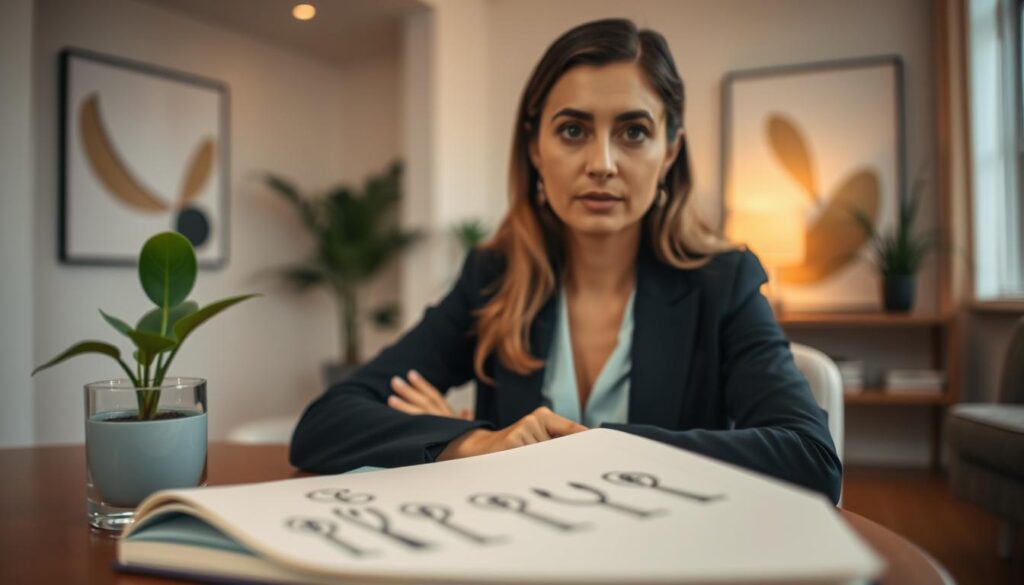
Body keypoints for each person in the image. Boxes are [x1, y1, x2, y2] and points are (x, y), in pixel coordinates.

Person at [289, 18, 841, 504]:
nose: (601, 164)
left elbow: (811, 459)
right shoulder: (492, 279)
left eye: (633, 132)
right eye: (573, 130)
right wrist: (475, 442)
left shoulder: (724, 284)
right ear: (535, 150)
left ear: (669, 152)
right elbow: (325, 423)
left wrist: (596, 449)